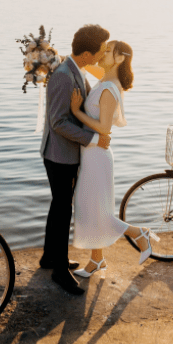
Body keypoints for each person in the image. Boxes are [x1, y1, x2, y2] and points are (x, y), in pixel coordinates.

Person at [70, 40, 158, 279]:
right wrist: (55, 55)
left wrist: (77, 112)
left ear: (120, 58)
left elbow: (105, 129)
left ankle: (140, 234)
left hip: (97, 156)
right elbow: (87, 66)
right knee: (90, 208)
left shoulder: (109, 88)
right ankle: (96, 260)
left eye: (108, 51)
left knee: (99, 212)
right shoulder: (106, 78)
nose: (102, 53)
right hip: (90, 154)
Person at [40, 24, 110, 295]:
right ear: (87, 52)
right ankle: (59, 270)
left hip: (64, 153)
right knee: (62, 209)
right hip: (60, 155)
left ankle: (50, 257)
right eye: (101, 50)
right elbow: (57, 122)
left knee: (59, 207)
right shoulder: (64, 76)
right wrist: (92, 139)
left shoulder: (75, 69)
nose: (103, 53)